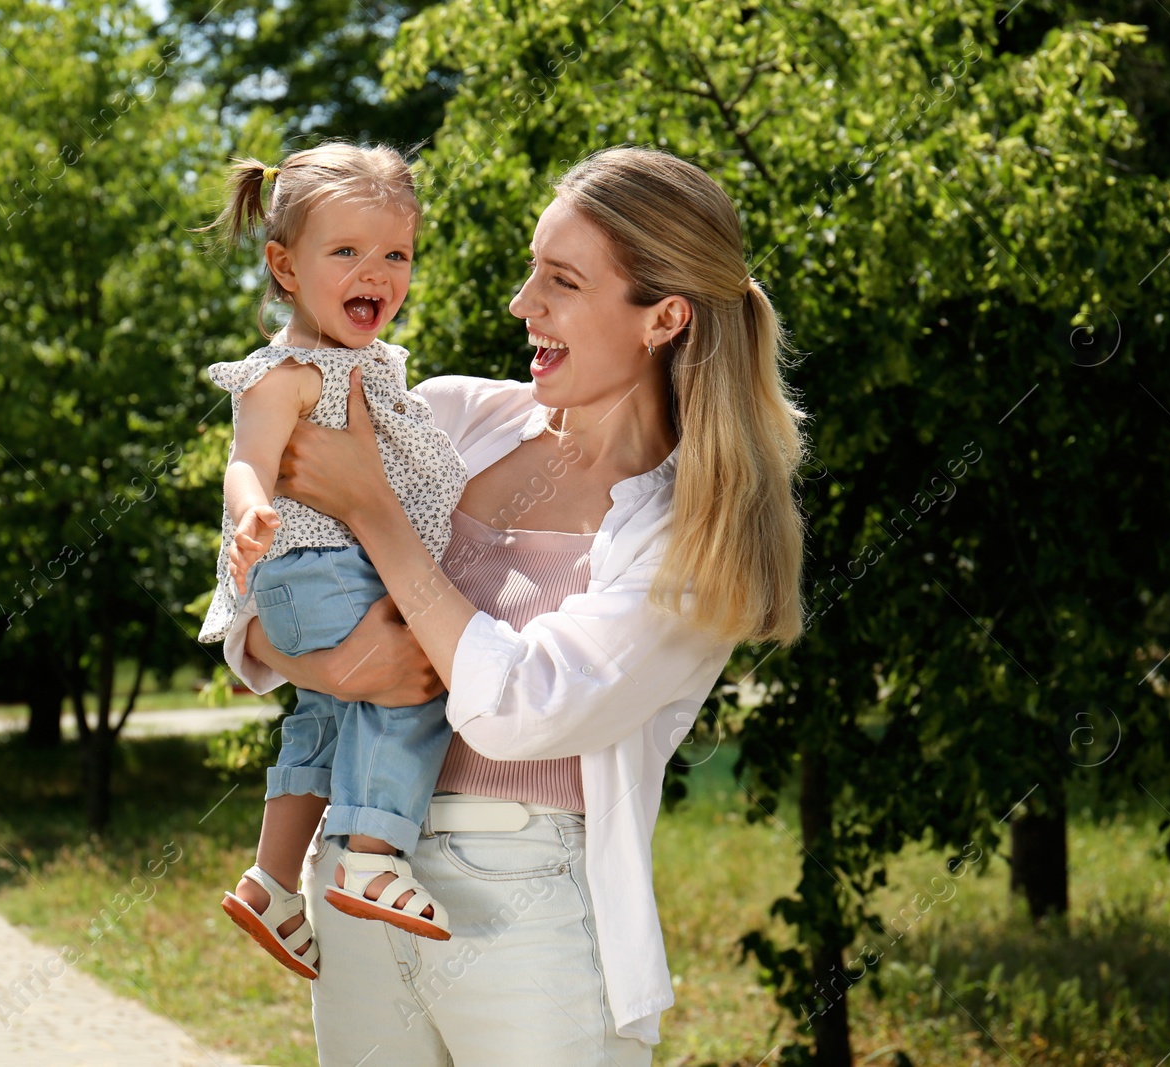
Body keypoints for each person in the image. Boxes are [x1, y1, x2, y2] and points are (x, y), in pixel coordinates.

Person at [224, 145, 810, 1065]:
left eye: (562, 281)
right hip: (356, 878)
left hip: (527, 913)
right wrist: (321, 665)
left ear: (664, 317)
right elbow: (262, 585)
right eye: (532, 269)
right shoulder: (454, 417)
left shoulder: (691, 532)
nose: (522, 303)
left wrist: (378, 512)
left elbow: (521, 709)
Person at [194, 141, 470, 981]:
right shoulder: (288, 372)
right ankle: (374, 852)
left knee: (322, 718)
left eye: (396, 254)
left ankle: (274, 879)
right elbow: (246, 459)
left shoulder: (374, 366)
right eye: (345, 251)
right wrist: (251, 516)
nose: (375, 272)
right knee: (412, 687)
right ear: (283, 265)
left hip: (316, 572)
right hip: (312, 563)